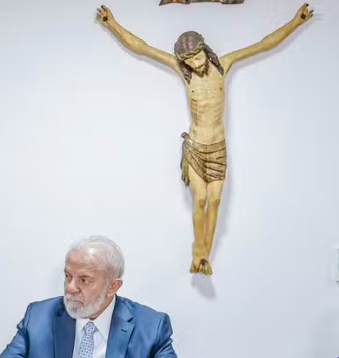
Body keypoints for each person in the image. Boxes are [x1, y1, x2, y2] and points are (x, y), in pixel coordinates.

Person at [96, 4, 313, 274]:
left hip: (218, 147)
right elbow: (143, 47)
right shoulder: (183, 71)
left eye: (198, 57)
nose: (196, 64)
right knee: (200, 200)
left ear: (205, 50)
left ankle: (204, 255)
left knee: (216, 200)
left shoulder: (224, 65)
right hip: (197, 146)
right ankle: (198, 252)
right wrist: (112, 24)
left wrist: (295, 22)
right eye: (190, 61)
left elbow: (263, 45)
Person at [0, 236, 190, 358]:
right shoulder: (39, 315)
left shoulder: (151, 324)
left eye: (84, 280)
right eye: (68, 276)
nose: (70, 288)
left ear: (112, 286)